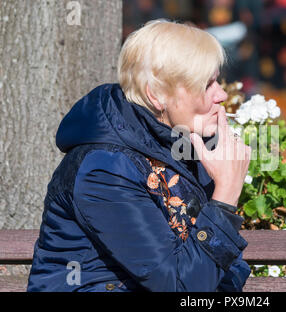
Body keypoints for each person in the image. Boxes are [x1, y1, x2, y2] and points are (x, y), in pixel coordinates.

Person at [27, 19, 252, 292]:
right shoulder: (104, 169)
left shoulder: (184, 145)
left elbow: (227, 271)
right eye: (207, 84)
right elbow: (182, 286)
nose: (221, 95)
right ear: (157, 95)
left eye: (217, 81)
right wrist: (226, 196)